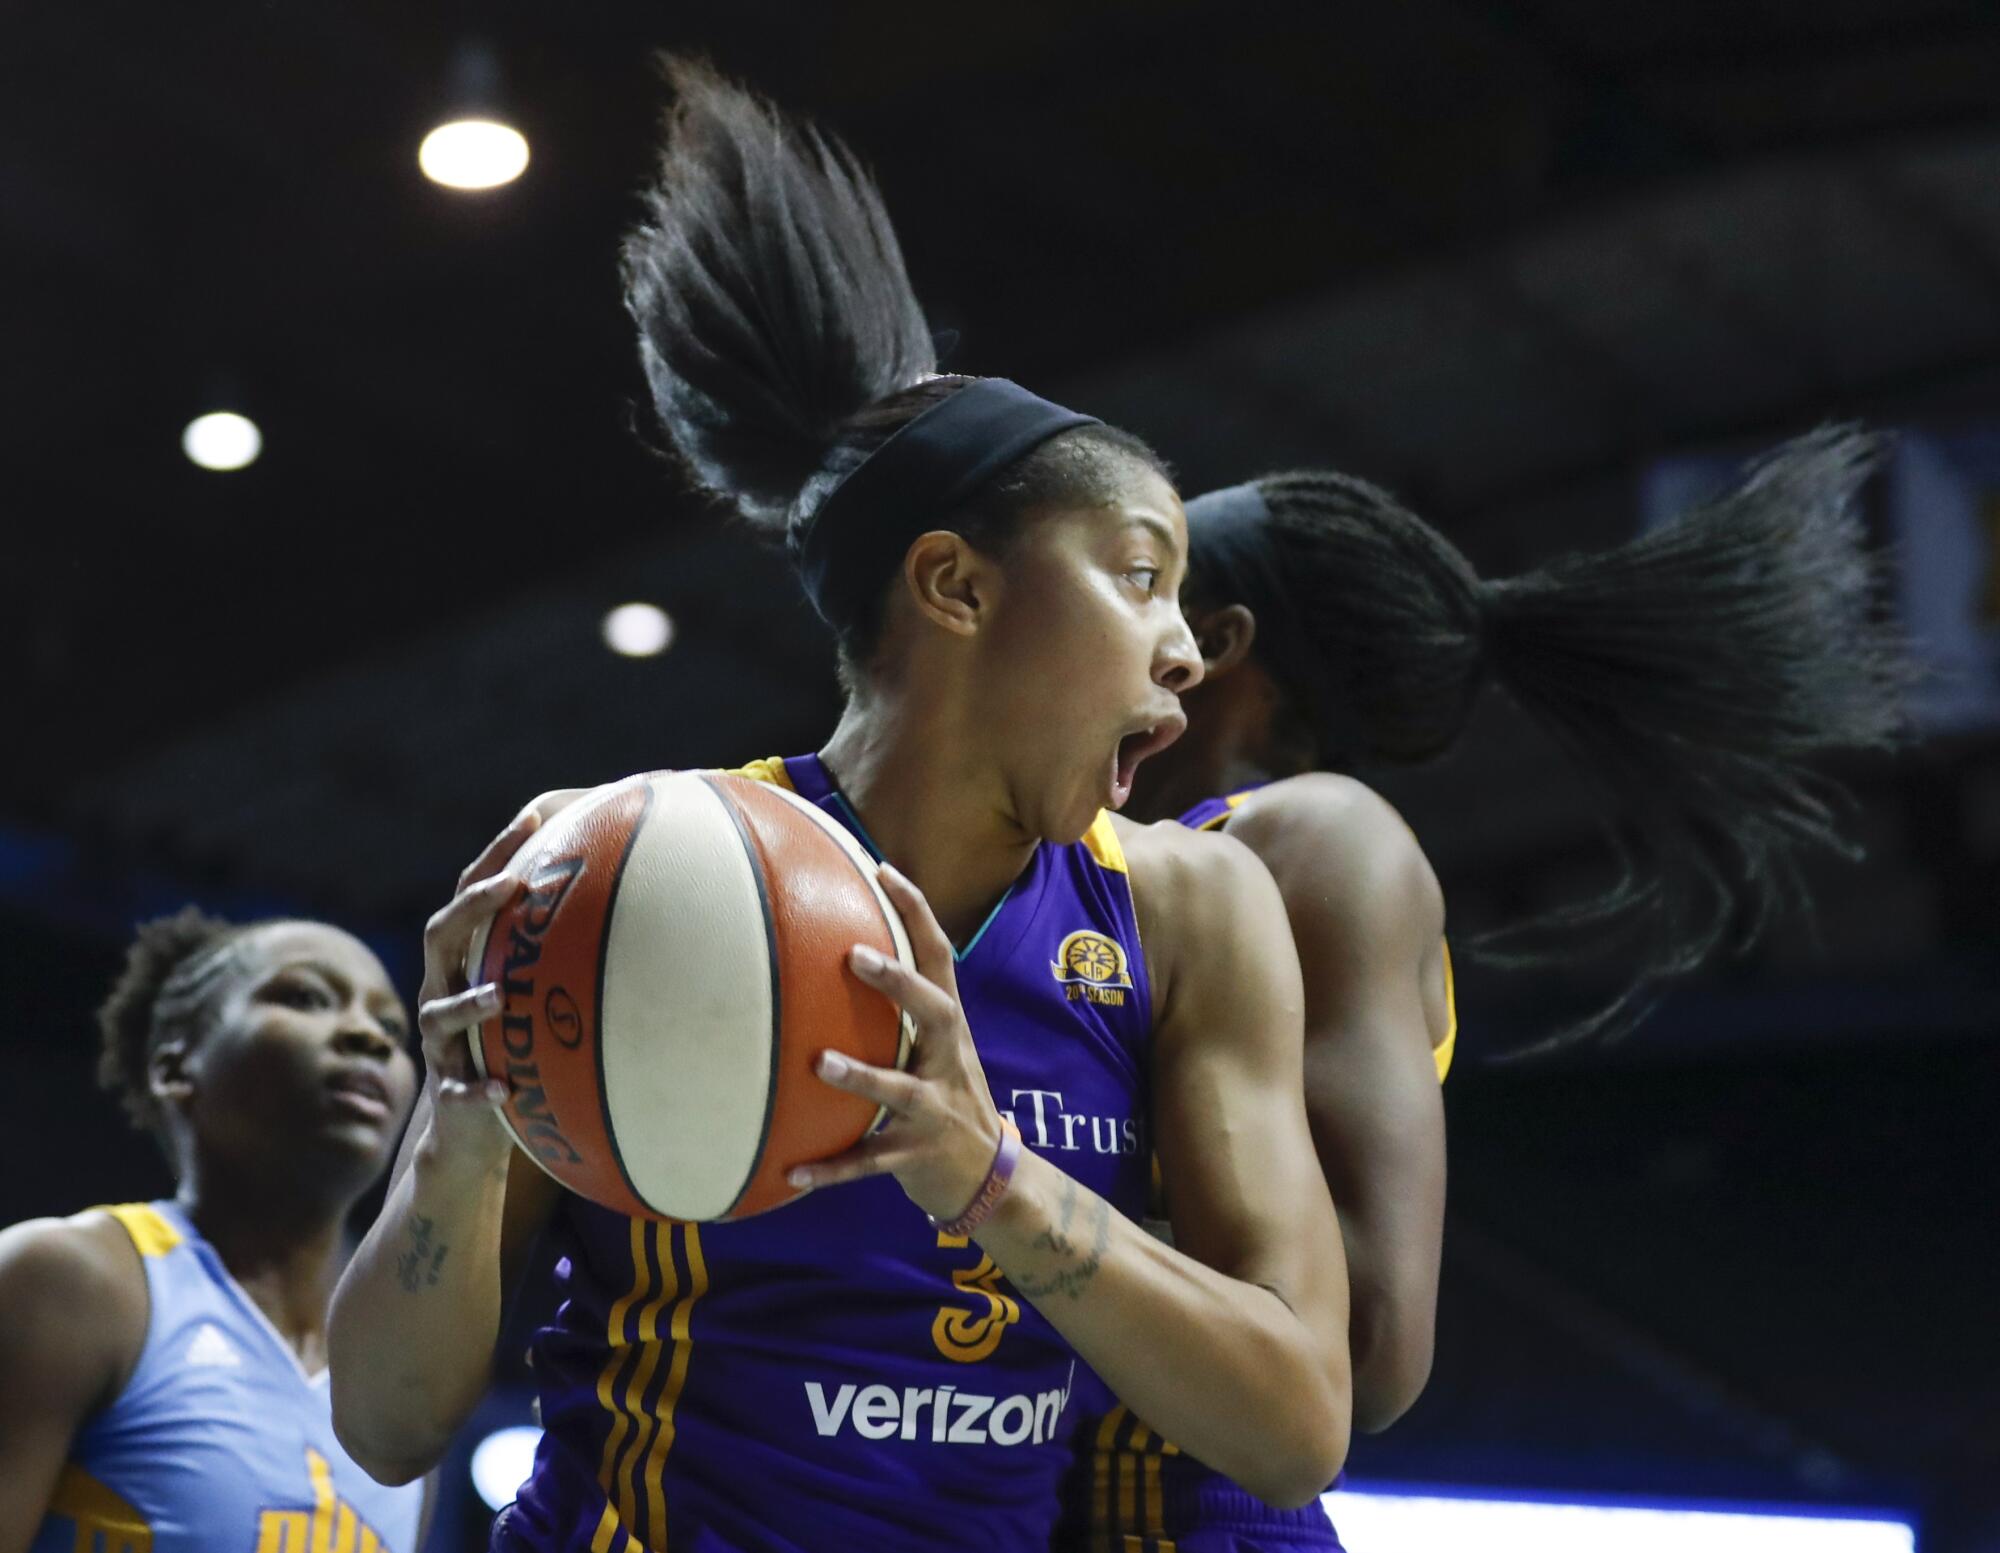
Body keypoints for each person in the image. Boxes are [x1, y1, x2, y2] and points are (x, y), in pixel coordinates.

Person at [327, 59, 1352, 1553]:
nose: (1188, 645)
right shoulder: (617, 869)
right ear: (954, 584)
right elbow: (388, 1420)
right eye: (1140, 574)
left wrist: (988, 1181)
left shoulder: (1192, 911)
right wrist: (466, 1132)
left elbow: (1296, 1419)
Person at [1074, 433, 1908, 1551]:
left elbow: (1368, 1345)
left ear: (1212, 646)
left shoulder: (1316, 838)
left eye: (1138, 587)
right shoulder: (1097, 858)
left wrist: (1013, 1199)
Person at [0, 906, 425, 1553]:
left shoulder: (409, 1376)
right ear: (176, 1066)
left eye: (392, 1029)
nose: (367, 1035)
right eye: (307, 996)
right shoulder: (66, 1279)